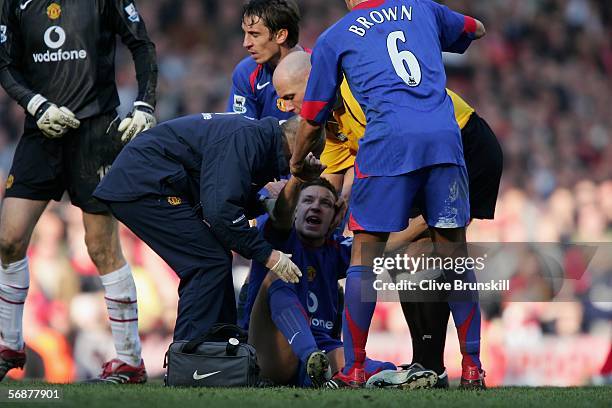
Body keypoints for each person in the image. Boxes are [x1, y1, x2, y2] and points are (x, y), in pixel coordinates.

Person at [274, 50, 503, 388]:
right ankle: (431, 366)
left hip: (462, 144)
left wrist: (365, 241)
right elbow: (330, 191)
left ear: (311, 81)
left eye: (289, 98)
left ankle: (453, 364)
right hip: (419, 155)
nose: (288, 107)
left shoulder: (362, 88)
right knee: (409, 258)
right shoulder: (332, 123)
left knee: (425, 250)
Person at [0, 0, 157, 384]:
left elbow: (141, 43)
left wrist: (145, 103)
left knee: (102, 247)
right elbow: (5, 63)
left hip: (95, 131)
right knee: (8, 239)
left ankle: (129, 360)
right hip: (43, 130)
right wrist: (35, 104)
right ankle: (9, 344)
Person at [92, 114, 325, 343]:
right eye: (312, 154)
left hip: (152, 178)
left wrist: (262, 204)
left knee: (216, 259)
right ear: (301, 144)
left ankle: (220, 347)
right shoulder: (249, 139)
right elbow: (220, 213)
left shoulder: (257, 138)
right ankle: (188, 357)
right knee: (206, 262)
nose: (309, 162)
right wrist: (268, 255)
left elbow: (220, 193)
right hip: (144, 181)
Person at [245, 175, 437, 388]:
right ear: (295, 210)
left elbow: (386, 244)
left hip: (323, 347)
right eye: (308, 200)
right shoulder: (277, 235)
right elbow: (280, 216)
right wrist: (298, 175)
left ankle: (389, 378)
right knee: (279, 271)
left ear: (335, 217)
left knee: (364, 366)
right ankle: (312, 359)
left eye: (325, 203)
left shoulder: (336, 249)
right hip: (270, 352)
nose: (316, 207)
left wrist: (434, 218)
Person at [227, 0, 304, 120]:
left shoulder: (318, 68)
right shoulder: (246, 73)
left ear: (280, 35)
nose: (246, 43)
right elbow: (241, 133)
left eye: (255, 35)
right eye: (245, 33)